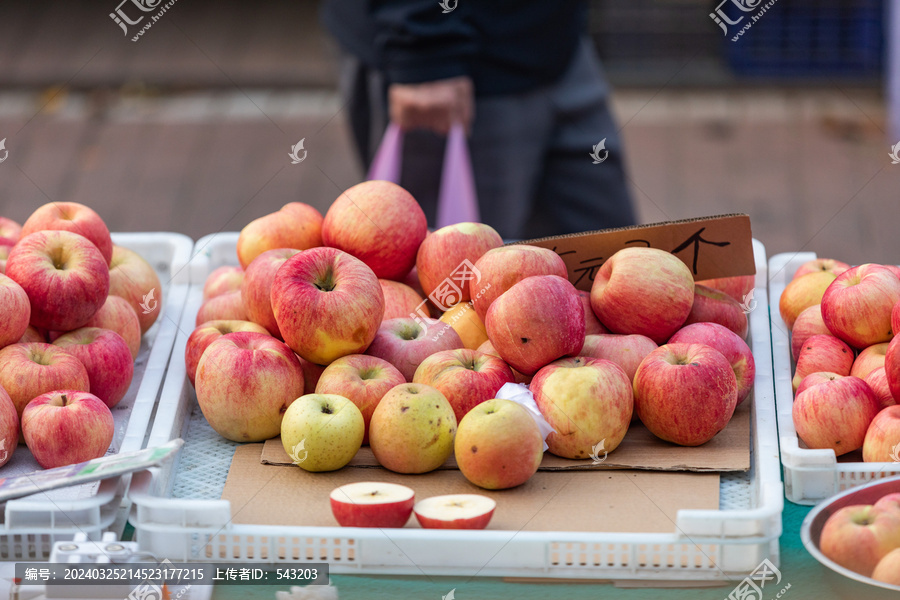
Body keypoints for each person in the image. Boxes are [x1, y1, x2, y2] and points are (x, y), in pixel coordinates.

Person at [321, 0, 637, 240]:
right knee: (448, 285)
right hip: (446, 57)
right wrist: (423, 41)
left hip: (556, 37)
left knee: (611, 251)